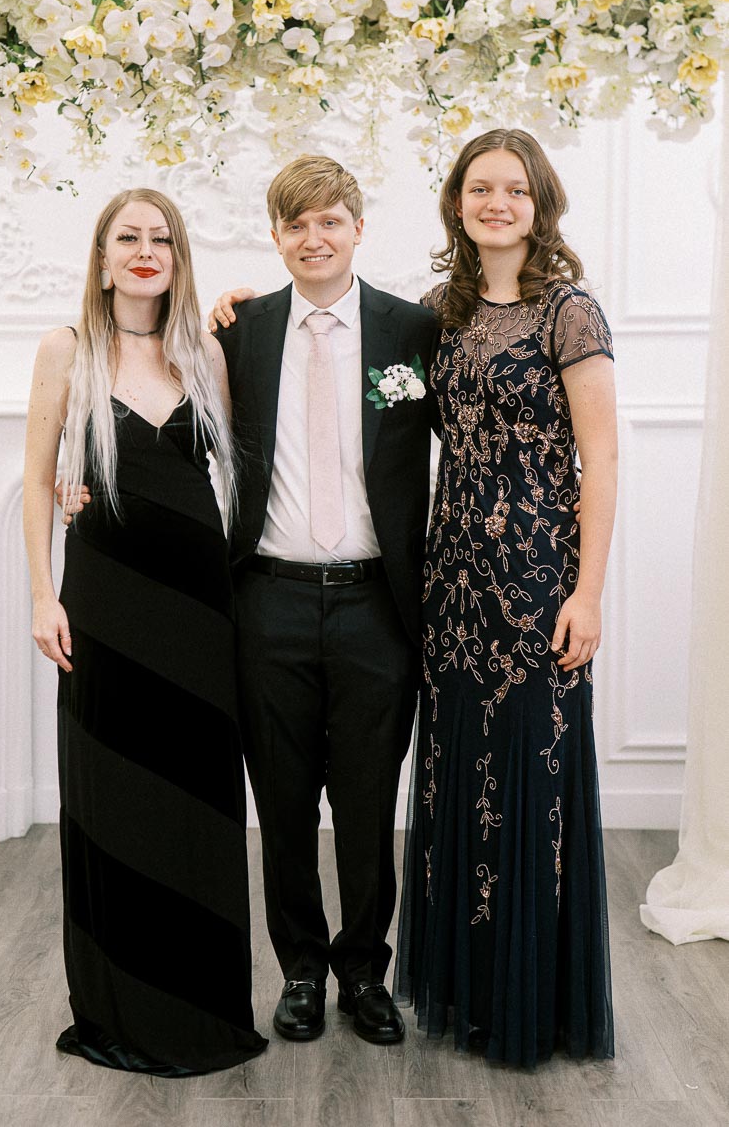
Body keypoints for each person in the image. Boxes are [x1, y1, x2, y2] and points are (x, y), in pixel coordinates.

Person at [22, 188, 267, 1076]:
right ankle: (120, 1004)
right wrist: (44, 596)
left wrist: (238, 305)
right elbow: (39, 475)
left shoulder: (204, 349)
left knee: (197, 800)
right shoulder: (66, 350)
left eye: (160, 238)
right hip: (105, 608)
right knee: (114, 800)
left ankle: (202, 1004)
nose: (143, 250)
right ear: (101, 256)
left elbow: (228, 472)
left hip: (199, 613)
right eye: (127, 237)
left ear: (178, 256)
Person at [394, 129, 617, 1067]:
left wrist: (589, 593)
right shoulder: (431, 316)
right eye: (479, 188)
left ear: (539, 204)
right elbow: (366, 396)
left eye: (514, 190)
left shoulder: (569, 312)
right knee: (458, 777)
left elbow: (600, 457)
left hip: (537, 583)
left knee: (530, 782)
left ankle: (535, 1003)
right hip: (452, 587)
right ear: (456, 204)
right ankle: (472, 990)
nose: (496, 203)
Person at [209, 155, 440, 1045]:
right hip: (266, 599)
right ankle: (301, 968)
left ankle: (363, 973)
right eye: (296, 224)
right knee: (284, 799)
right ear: (276, 236)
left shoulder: (413, 330)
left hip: (377, 606)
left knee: (368, 799)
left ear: (357, 227)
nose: (314, 238)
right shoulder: (239, 330)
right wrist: (76, 481)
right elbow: (161, 408)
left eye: (330, 221)